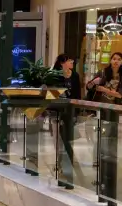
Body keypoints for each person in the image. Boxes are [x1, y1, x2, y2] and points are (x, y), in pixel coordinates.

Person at [87, 52, 122, 205]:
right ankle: (99, 159)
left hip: (115, 110)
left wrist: (105, 90)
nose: (116, 61)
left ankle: (109, 162)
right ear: (110, 61)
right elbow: (89, 86)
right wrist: (94, 83)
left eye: (119, 59)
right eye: (114, 59)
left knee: (112, 137)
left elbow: (119, 95)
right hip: (102, 109)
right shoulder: (103, 72)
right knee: (102, 135)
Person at [52, 54, 82, 189]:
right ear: (62, 63)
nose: (72, 62)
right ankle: (62, 172)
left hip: (70, 114)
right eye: (69, 60)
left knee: (68, 143)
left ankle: (68, 177)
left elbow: (78, 96)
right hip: (57, 114)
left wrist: (77, 112)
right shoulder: (55, 76)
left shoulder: (75, 76)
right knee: (59, 144)